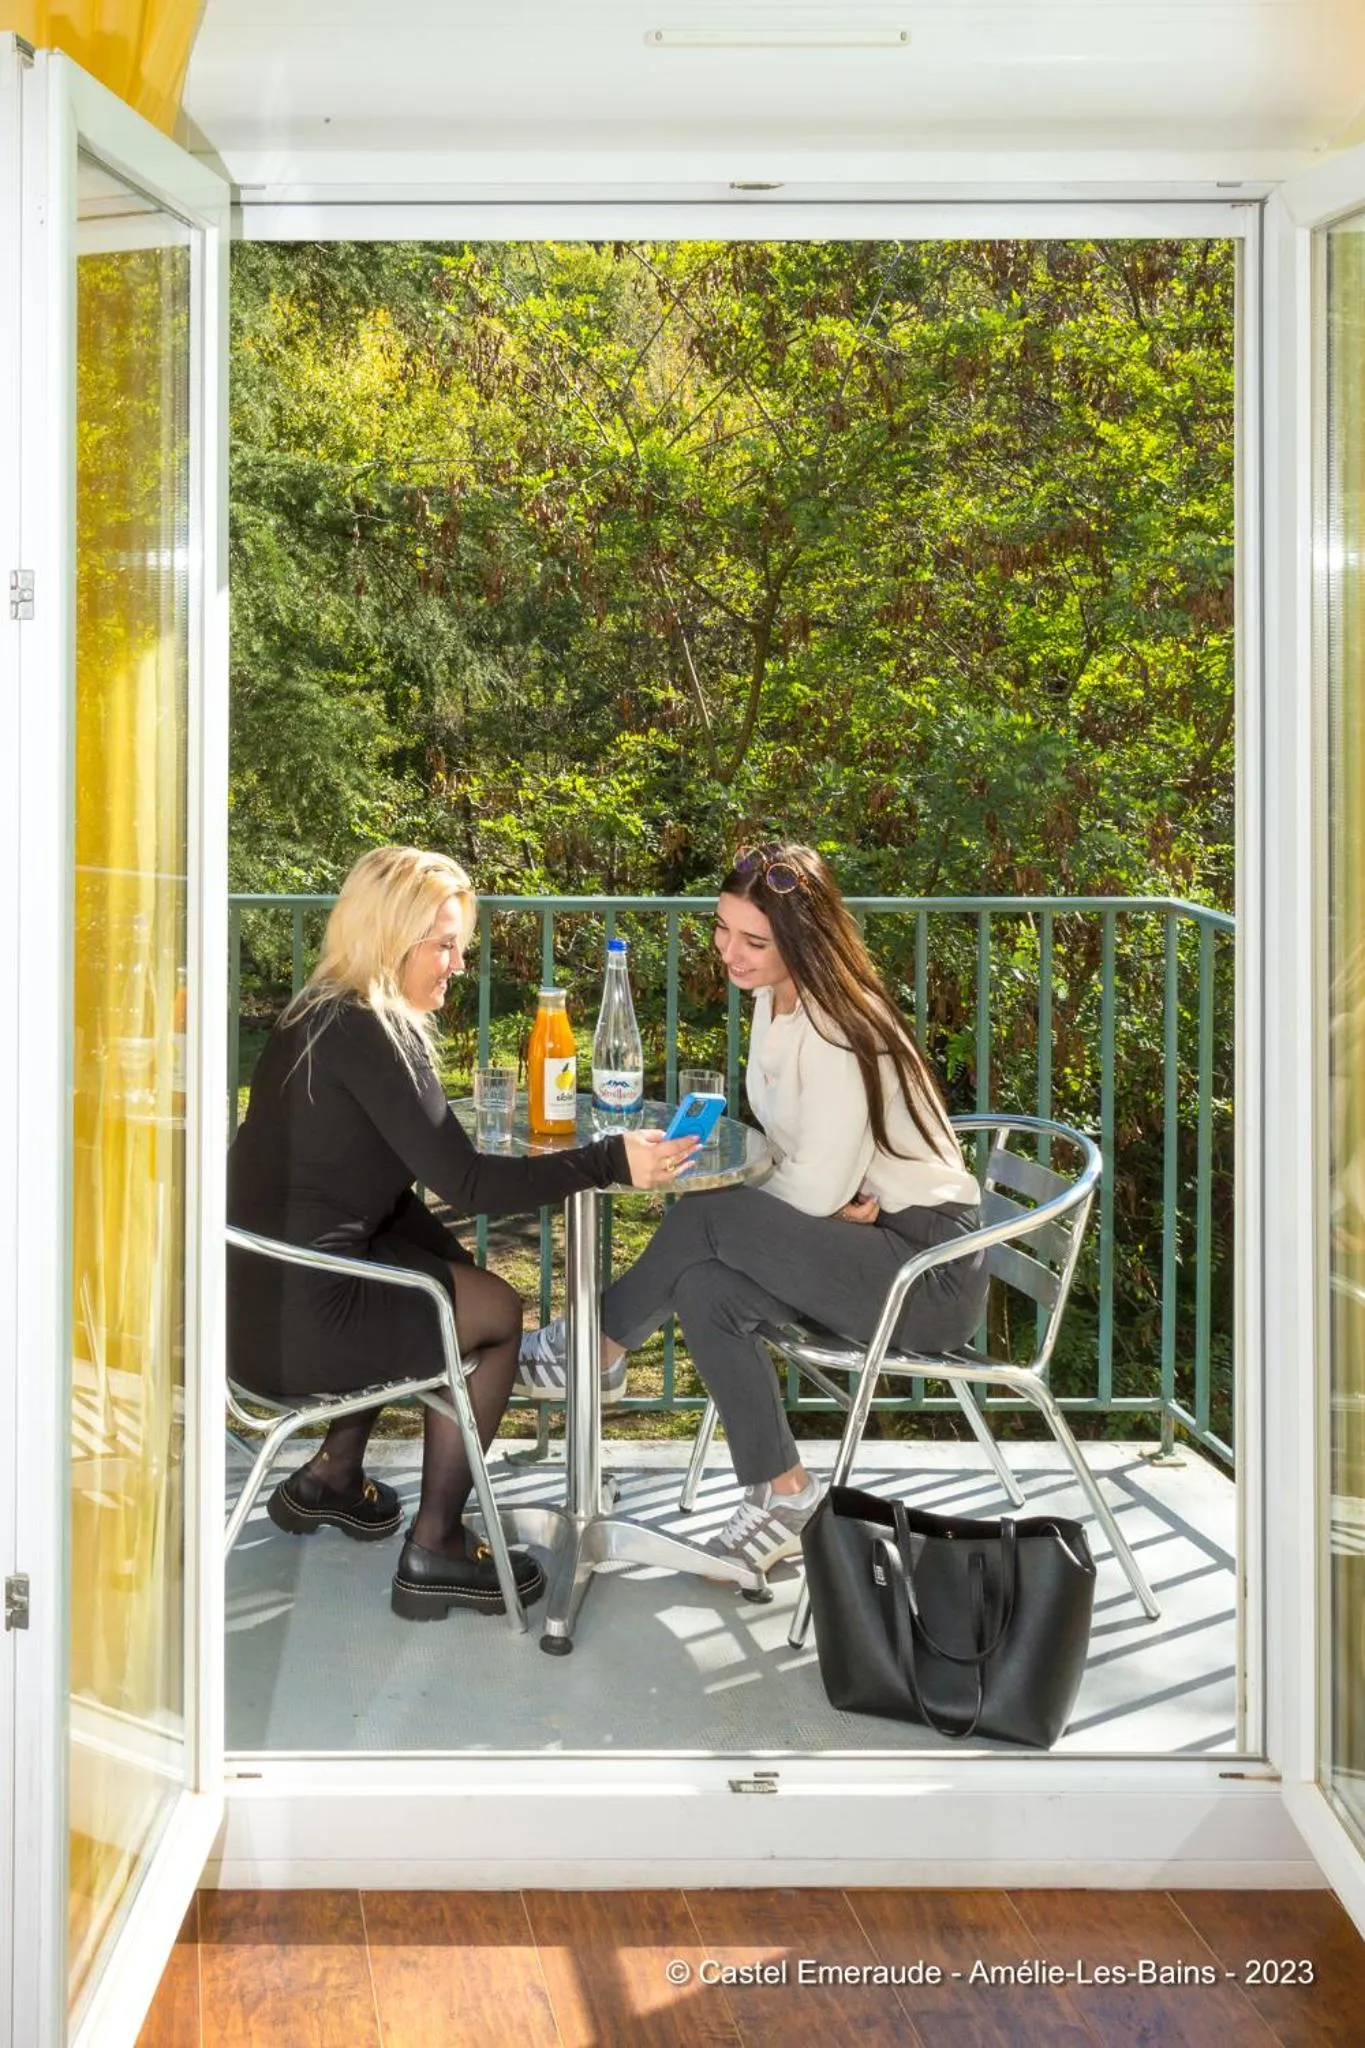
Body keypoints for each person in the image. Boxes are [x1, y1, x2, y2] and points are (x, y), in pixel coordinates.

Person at [227, 846, 698, 1620]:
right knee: (497, 1317)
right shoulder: (375, 1036)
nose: (456, 965)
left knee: (442, 1286)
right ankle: (436, 1547)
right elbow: (469, 1184)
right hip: (301, 1331)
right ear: (390, 939)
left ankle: (333, 1478)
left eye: (460, 948)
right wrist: (609, 1160)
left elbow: (373, 1193)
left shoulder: (312, 1016)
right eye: (442, 945)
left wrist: (453, 1270)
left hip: (246, 1314)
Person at [517, 842, 987, 1573]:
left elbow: (817, 1188)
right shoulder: (776, 1000)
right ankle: (785, 1494)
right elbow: (799, 1170)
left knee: (710, 1214)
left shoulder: (837, 1028)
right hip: (863, 1246)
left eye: (752, 941)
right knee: (706, 1287)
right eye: (721, 929)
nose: (728, 954)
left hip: (924, 1271)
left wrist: (821, 1209)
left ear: (802, 939)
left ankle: (592, 1348)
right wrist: (823, 1214)